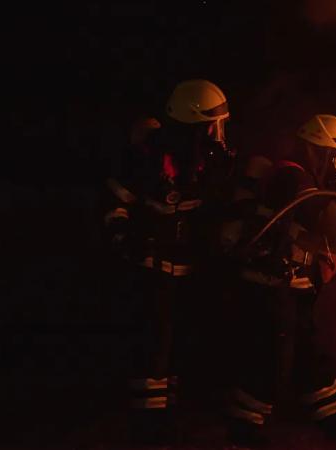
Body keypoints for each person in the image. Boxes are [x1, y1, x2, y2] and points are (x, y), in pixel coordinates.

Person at [224, 114, 336, 446]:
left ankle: (335, 420)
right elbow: (332, 221)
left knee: (309, 355)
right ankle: (243, 428)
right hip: (270, 285)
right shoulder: (291, 177)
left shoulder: (304, 181)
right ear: (320, 152)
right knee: (271, 360)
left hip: (291, 283)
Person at [102, 79, 235, 445]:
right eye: (212, 125)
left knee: (179, 345)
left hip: (189, 268)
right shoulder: (144, 159)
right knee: (153, 347)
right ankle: (147, 426)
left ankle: (169, 417)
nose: (217, 133)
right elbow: (116, 204)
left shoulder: (209, 162)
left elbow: (214, 209)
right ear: (192, 125)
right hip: (152, 267)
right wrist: (121, 236)